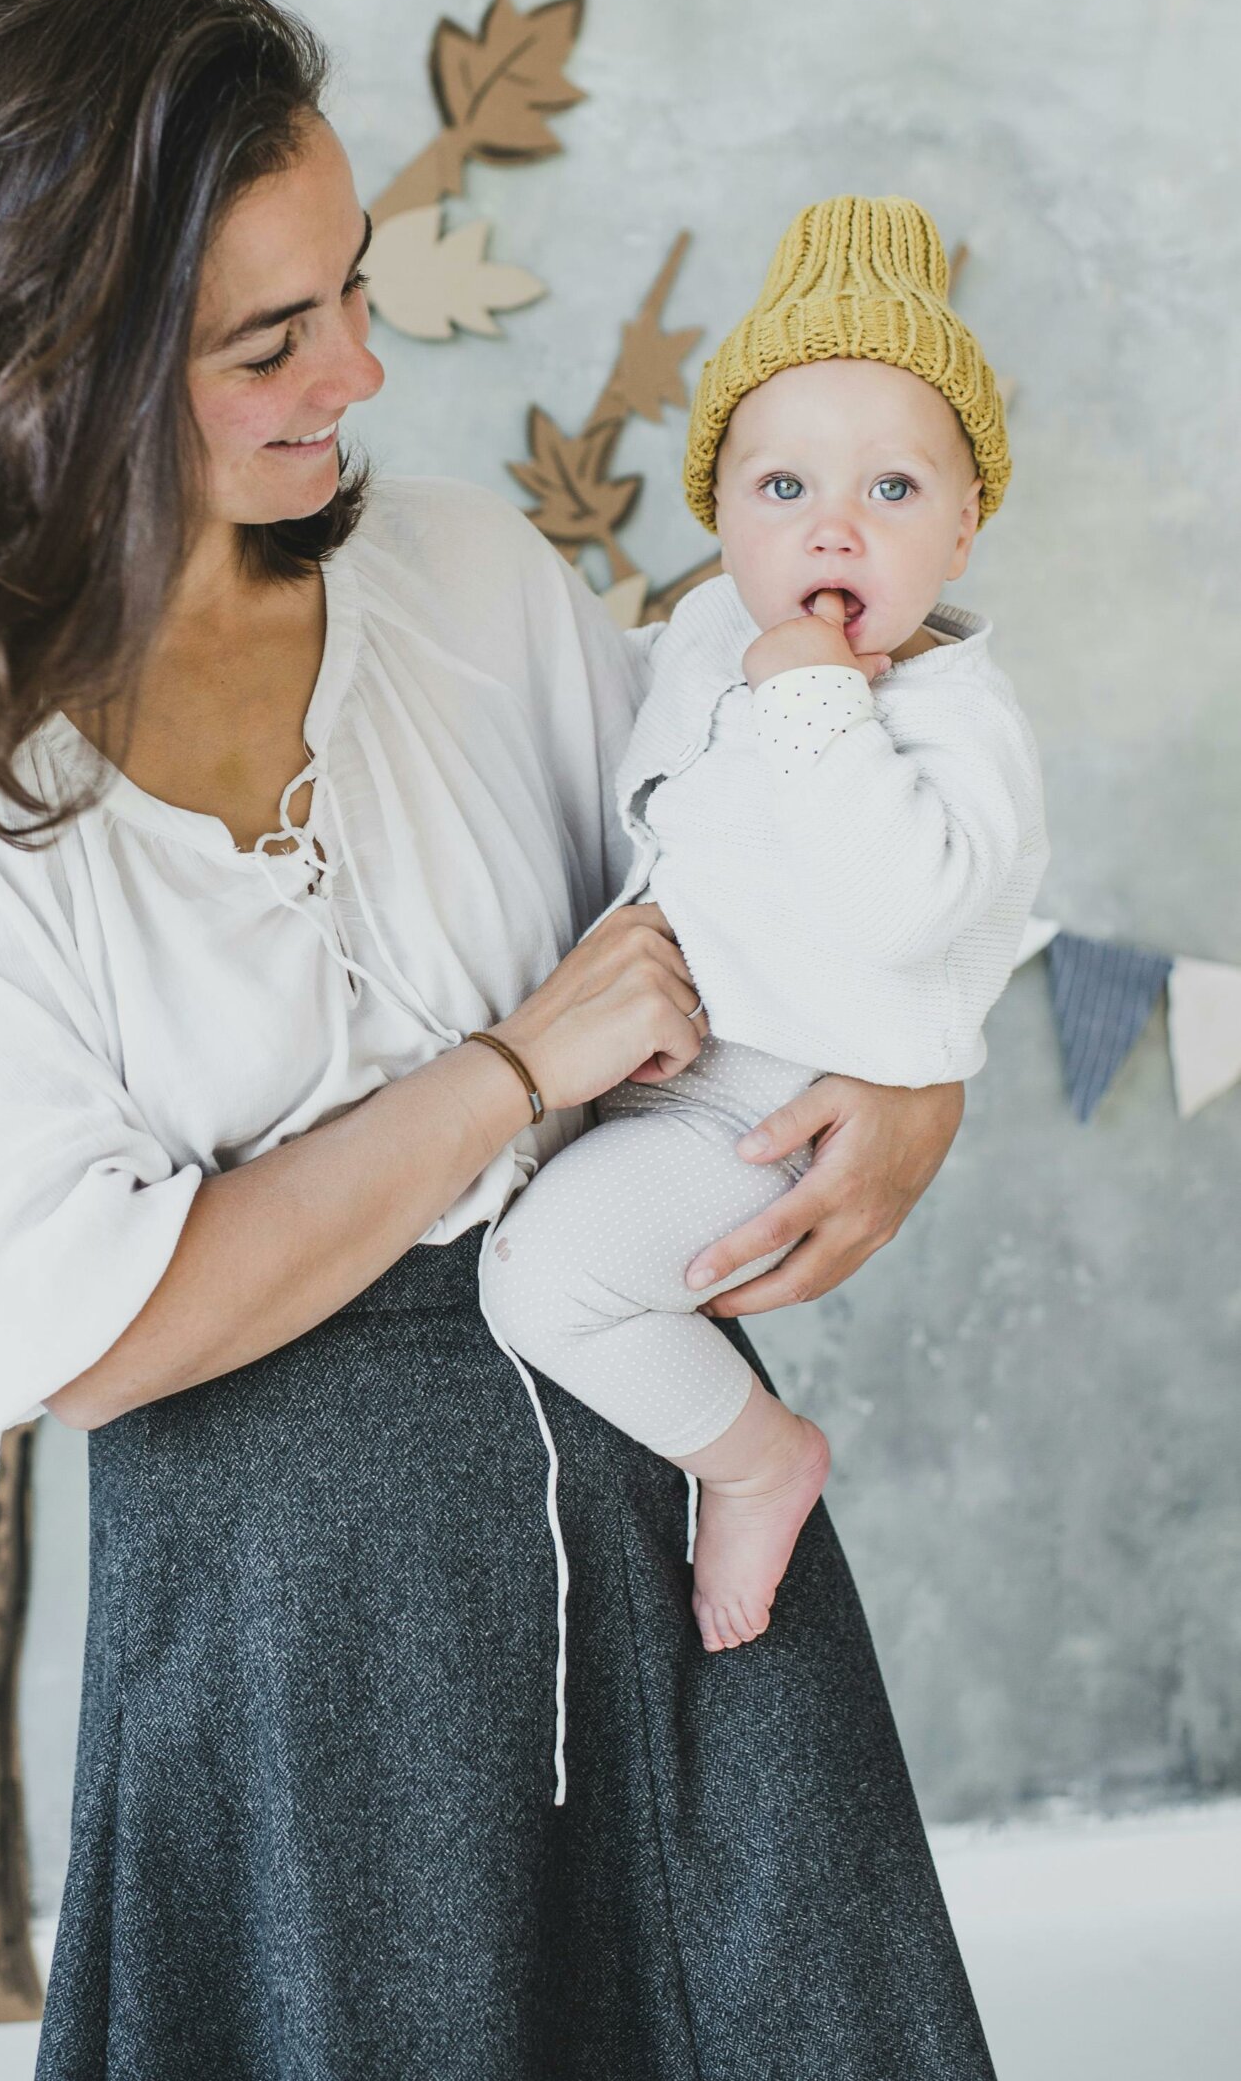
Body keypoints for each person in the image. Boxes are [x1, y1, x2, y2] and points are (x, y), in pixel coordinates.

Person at [0, 0, 996, 2079]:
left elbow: (798, 861)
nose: (363, 368)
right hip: (295, 1665)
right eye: (269, 337)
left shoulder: (473, 586)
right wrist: (509, 1072)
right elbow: (53, 1329)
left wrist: (917, 1082)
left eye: (354, 292)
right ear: (68, 371)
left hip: (678, 1572)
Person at [480, 197, 1048, 1670]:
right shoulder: (689, 636)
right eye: (781, 484)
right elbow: (653, 806)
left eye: (895, 491)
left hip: (771, 1107)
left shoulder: (950, 719)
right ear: (719, 512)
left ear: (968, 524)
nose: (831, 528)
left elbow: (911, 902)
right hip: (660, 1057)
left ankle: (753, 1459)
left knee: (538, 1281)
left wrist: (815, 699)